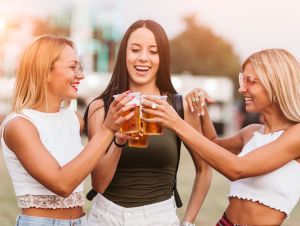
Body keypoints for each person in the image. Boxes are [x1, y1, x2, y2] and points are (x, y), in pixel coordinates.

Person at [141, 48, 300, 225]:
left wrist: (177, 123)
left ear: (276, 84)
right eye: (242, 79)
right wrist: (201, 108)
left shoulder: (297, 134)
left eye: (250, 81)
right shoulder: (252, 132)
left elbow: (237, 169)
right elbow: (212, 145)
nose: (242, 88)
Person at [84, 19, 211, 226]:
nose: (143, 58)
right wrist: (118, 140)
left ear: (163, 58)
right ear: (124, 54)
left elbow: (204, 169)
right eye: (135, 49)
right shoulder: (101, 108)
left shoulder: (180, 107)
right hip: (106, 218)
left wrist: (188, 222)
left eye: (153, 51)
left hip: (159, 218)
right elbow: (98, 184)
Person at [0, 35, 135, 226]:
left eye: (80, 67)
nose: (81, 75)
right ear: (44, 72)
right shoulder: (19, 125)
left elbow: (100, 184)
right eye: (73, 67)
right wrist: (106, 130)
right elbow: (62, 184)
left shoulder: (74, 120)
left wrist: (118, 140)